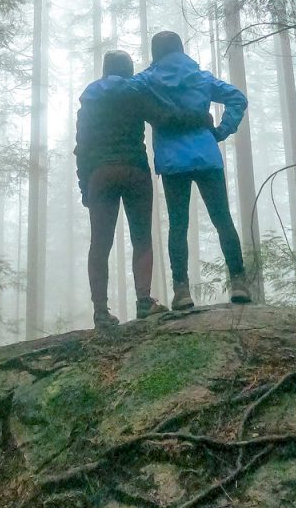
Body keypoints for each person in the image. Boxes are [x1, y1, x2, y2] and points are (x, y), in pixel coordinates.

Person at [75, 49, 207, 327]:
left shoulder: (89, 101)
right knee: (142, 238)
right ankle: (144, 301)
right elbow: (165, 116)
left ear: (104, 69)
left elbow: (82, 147)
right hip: (134, 170)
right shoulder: (136, 91)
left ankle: (100, 311)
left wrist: (84, 186)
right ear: (129, 69)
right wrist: (198, 118)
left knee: (100, 243)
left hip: (100, 173)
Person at [133, 30, 251, 310]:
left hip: (173, 163)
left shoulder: (148, 80)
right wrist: (221, 131)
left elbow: (124, 90)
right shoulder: (200, 77)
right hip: (207, 156)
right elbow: (237, 98)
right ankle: (239, 283)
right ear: (181, 48)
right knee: (223, 220)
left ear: (155, 52)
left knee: (178, 225)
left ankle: (181, 291)